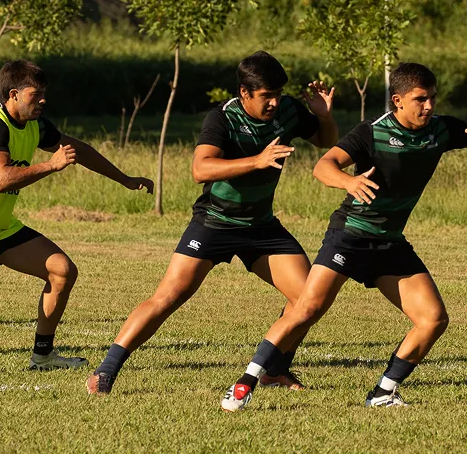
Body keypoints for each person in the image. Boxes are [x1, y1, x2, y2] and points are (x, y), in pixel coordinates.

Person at [219, 61, 467, 412]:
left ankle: (383, 392)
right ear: (398, 100)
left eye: (433, 98)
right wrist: (349, 181)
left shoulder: (441, 130)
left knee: (433, 319)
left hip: (389, 242)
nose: (430, 106)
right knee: (308, 308)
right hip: (350, 235)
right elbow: (323, 166)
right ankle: (245, 382)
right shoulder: (372, 132)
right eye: (421, 99)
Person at [86, 51, 337, 395]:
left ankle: (275, 370)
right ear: (245, 92)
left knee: (310, 298)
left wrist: (324, 117)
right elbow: (200, 169)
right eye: (266, 96)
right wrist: (256, 161)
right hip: (215, 222)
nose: (275, 102)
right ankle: (106, 371)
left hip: (261, 225)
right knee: (169, 297)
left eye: (278, 94)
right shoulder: (222, 117)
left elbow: (326, 141)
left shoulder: (289, 110)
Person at [0, 60, 153, 370]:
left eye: (43, 94)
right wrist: (52, 165)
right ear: (13, 94)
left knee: (62, 271)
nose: (43, 100)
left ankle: (43, 356)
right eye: (36, 94)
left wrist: (125, 179)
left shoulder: (36, 124)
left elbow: (80, 150)